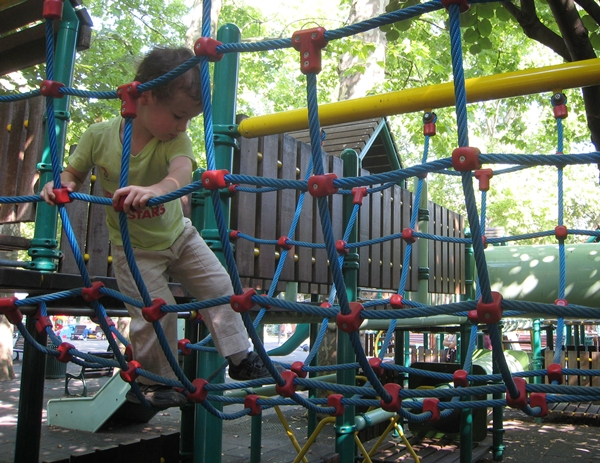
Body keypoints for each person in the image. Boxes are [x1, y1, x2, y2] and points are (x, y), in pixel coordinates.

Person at [41, 46, 282, 409]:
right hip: (134, 250)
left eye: (189, 119)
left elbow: (181, 173)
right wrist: (62, 185)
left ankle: (240, 357)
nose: (183, 126)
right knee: (155, 310)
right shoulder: (98, 136)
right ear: (146, 96)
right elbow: (72, 172)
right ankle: (160, 380)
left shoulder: (175, 139)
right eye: (177, 115)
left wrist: (156, 191)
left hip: (180, 236)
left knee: (220, 287)